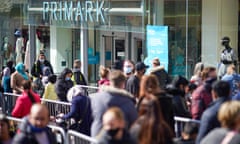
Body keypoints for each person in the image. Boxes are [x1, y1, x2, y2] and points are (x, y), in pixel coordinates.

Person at [90, 70, 137, 137]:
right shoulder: (128, 101)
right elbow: (134, 123)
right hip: (119, 139)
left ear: (110, 82)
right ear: (123, 84)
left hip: (97, 137)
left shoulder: (96, 98)